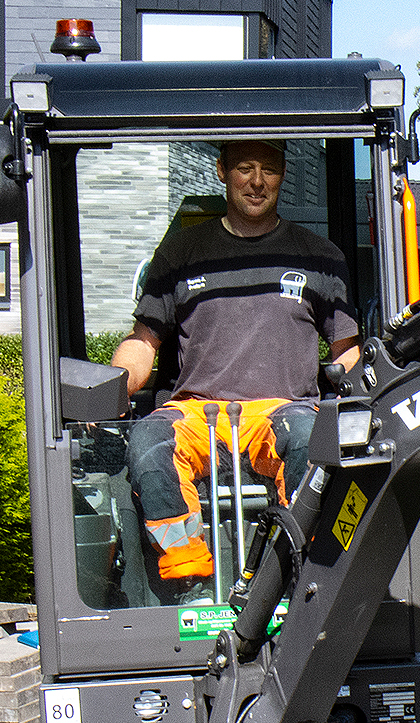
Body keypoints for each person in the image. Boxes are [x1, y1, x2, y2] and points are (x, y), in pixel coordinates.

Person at [114, 138, 361, 598]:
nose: (256, 181)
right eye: (244, 167)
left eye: (268, 169)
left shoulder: (319, 257)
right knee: (148, 444)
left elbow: (347, 349)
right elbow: (143, 342)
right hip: (196, 413)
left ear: (283, 174)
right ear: (222, 170)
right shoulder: (182, 251)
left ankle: (294, 580)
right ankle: (190, 580)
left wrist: (354, 384)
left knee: (314, 441)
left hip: (281, 411)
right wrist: (114, 386)